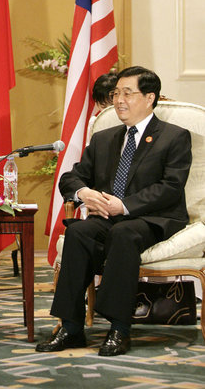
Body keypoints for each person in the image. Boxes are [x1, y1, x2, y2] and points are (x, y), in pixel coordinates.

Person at [36, 66, 192, 356]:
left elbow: (171, 187)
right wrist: (84, 193)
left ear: (149, 98)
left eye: (127, 93)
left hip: (152, 218)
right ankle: (71, 327)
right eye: (116, 93)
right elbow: (72, 177)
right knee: (79, 231)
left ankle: (119, 328)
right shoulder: (104, 138)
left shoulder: (174, 137)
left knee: (123, 233)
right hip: (109, 216)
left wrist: (126, 204)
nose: (119, 100)